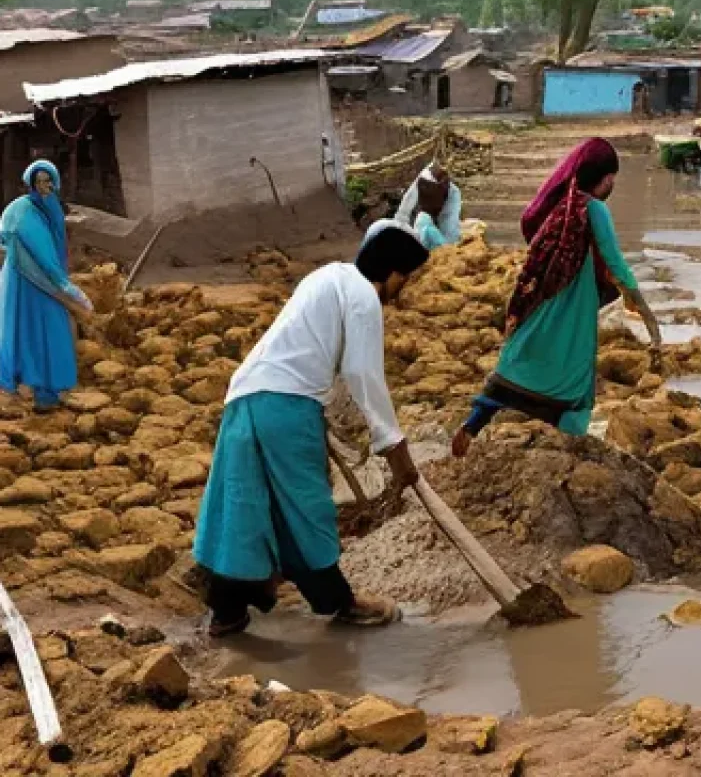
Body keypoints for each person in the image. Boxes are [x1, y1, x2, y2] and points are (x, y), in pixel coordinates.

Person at [192, 220, 428, 636]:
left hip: (246, 395)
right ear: (391, 270)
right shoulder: (362, 296)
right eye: (404, 278)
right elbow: (363, 374)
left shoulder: (327, 276)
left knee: (242, 503)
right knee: (306, 504)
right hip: (286, 405)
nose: (402, 289)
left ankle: (227, 610)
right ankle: (338, 601)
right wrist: (397, 451)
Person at [452, 138, 661, 457]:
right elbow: (615, 262)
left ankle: (474, 422)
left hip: (544, 298)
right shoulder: (594, 208)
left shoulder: (562, 206)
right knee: (576, 372)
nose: (613, 184)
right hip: (576, 302)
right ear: (603, 178)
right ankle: (570, 443)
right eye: (611, 178)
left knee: (518, 357)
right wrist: (647, 313)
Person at [0, 160, 92, 411]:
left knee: (46, 327)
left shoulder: (48, 206)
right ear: (30, 183)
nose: (44, 185)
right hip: (25, 279)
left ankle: (45, 390)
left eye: (47, 180)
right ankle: (35, 385)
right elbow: (25, 243)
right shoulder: (22, 209)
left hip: (32, 275)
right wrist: (67, 289)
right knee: (37, 328)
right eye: (38, 181)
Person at [394, 163, 462, 251]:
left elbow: (449, 223)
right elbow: (405, 208)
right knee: (422, 224)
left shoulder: (452, 195)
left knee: (449, 240)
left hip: (446, 201)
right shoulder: (421, 181)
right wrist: (398, 227)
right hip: (427, 212)